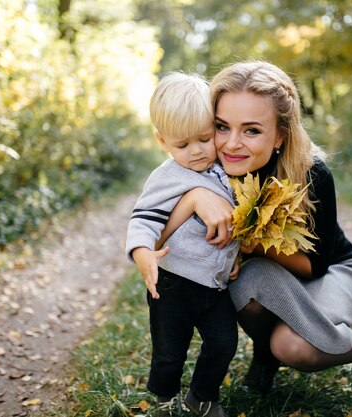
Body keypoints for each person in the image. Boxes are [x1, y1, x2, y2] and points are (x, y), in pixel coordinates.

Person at [169, 61, 352, 411]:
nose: (232, 144)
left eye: (252, 130)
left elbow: (316, 265)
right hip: (263, 279)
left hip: (330, 270)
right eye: (222, 126)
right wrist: (196, 197)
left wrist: (252, 244)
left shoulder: (311, 173)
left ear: (281, 135)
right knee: (244, 281)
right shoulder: (206, 168)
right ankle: (266, 354)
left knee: (296, 348)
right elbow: (158, 224)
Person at [125, 71, 240, 417]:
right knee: (169, 351)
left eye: (205, 139)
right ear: (162, 142)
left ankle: (202, 396)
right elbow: (143, 219)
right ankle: (163, 398)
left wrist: (238, 253)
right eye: (182, 145)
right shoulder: (166, 177)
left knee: (223, 343)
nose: (195, 152)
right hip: (173, 284)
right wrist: (142, 252)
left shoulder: (226, 168)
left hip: (215, 285)